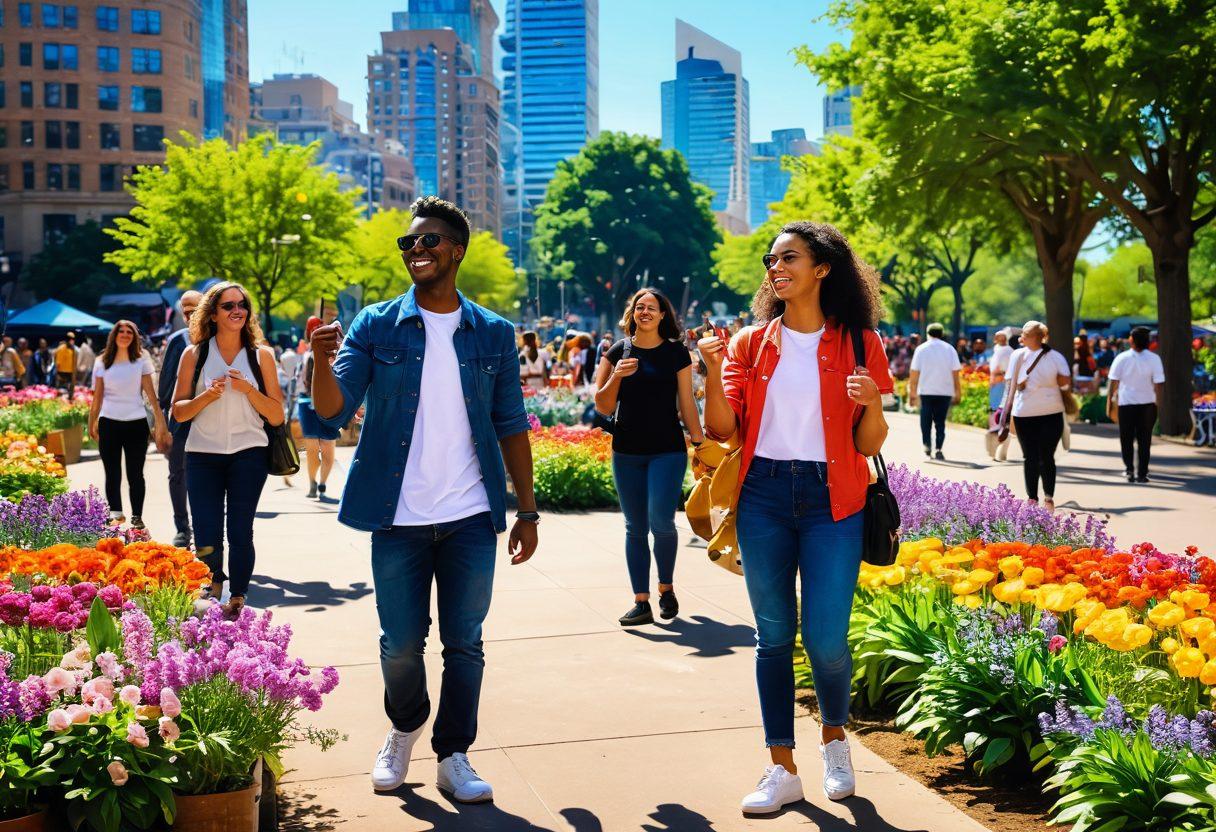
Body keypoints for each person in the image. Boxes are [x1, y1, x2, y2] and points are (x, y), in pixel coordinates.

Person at [309, 196, 538, 804]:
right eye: (408, 244)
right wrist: (320, 361)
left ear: (457, 249)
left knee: (465, 643)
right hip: (398, 516)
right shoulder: (377, 325)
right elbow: (331, 414)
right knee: (401, 644)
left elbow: (511, 422)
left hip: (468, 515)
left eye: (429, 241)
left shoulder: (492, 332)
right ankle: (405, 725)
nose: (417, 251)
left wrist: (528, 511)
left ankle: (454, 753)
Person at [698, 221, 893, 815]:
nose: (775, 268)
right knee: (773, 638)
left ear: (823, 269)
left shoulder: (861, 342)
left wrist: (873, 402)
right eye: (771, 259)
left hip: (834, 498)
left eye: (789, 258)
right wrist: (709, 368)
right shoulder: (750, 344)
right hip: (763, 498)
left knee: (827, 640)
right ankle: (781, 766)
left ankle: (835, 737)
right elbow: (723, 430)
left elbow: (869, 444)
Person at [594, 288, 704, 627]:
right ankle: (640, 602)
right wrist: (617, 376)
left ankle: (666, 589)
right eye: (639, 307)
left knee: (661, 522)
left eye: (651, 308)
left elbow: (687, 403)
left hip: (667, 451)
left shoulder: (676, 353)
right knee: (635, 527)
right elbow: (602, 405)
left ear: (662, 315)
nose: (645, 312)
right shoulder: (617, 351)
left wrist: (700, 443)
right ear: (633, 313)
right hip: (626, 452)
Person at [172, 282, 283, 619]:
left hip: (249, 454)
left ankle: (237, 595)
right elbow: (178, 411)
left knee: (239, 530)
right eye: (228, 305)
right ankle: (213, 587)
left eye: (242, 305)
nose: (237, 310)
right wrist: (207, 395)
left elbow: (277, 414)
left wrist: (248, 389)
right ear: (213, 314)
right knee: (205, 531)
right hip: (203, 455)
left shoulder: (261, 355)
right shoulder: (195, 354)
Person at [89, 320, 169, 528]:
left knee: (136, 473)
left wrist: (160, 422)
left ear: (134, 337)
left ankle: (137, 516)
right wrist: (92, 422)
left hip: (136, 424)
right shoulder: (101, 361)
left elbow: (151, 395)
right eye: (121, 331)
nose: (125, 334)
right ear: (114, 335)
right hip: (109, 423)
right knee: (112, 472)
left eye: (129, 332)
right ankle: (116, 513)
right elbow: (97, 397)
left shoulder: (141, 359)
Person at [998, 321, 1071, 510]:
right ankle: (1032, 498)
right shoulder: (1017, 355)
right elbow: (1010, 385)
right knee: (1029, 456)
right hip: (1024, 413)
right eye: (1022, 334)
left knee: (1047, 455)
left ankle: (1048, 496)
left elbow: (1065, 383)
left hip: (1051, 412)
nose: (1022, 337)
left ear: (1039, 337)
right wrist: (1004, 409)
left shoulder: (1055, 357)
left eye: (1027, 334)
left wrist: (1058, 382)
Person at [158, 290, 203, 548]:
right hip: (180, 420)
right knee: (178, 474)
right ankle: (182, 528)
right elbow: (164, 387)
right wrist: (162, 424)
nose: (189, 316)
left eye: (194, 310)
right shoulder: (178, 340)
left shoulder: (220, 339)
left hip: (210, 419)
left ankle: (204, 526)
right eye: (185, 311)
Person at [1106, 326, 1164, 483]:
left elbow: (1113, 381)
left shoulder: (1122, 358)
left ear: (1131, 340)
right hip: (1148, 405)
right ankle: (1142, 473)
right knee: (1145, 439)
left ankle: (1129, 469)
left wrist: (1109, 402)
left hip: (1126, 404)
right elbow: (1159, 384)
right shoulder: (1154, 359)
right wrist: (1159, 402)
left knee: (1126, 438)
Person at [296, 316, 340, 500]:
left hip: (327, 403)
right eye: (313, 328)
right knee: (313, 448)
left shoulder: (333, 353)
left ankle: (321, 484)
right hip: (307, 403)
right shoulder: (305, 353)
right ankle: (313, 483)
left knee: (328, 450)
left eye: (319, 327)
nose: (317, 330)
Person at [908, 322, 961, 459]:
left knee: (925, 419)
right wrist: (958, 392)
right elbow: (955, 373)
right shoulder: (950, 349)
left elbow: (914, 373)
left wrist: (912, 393)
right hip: (945, 392)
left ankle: (927, 444)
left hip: (926, 390)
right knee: (940, 422)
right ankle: (938, 448)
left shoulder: (921, 349)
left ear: (928, 334)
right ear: (942, 334)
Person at [988, 328, 1014, 461]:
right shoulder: (996, 350)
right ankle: (995, 448)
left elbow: (1009, 370)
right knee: (993, 413)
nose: (997, 337)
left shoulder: (1009, 351)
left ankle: (1000, 448)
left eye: (1000, 336)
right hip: (995, 385)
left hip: (1002, 384)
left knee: (1001, 415)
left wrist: (1001, 376)